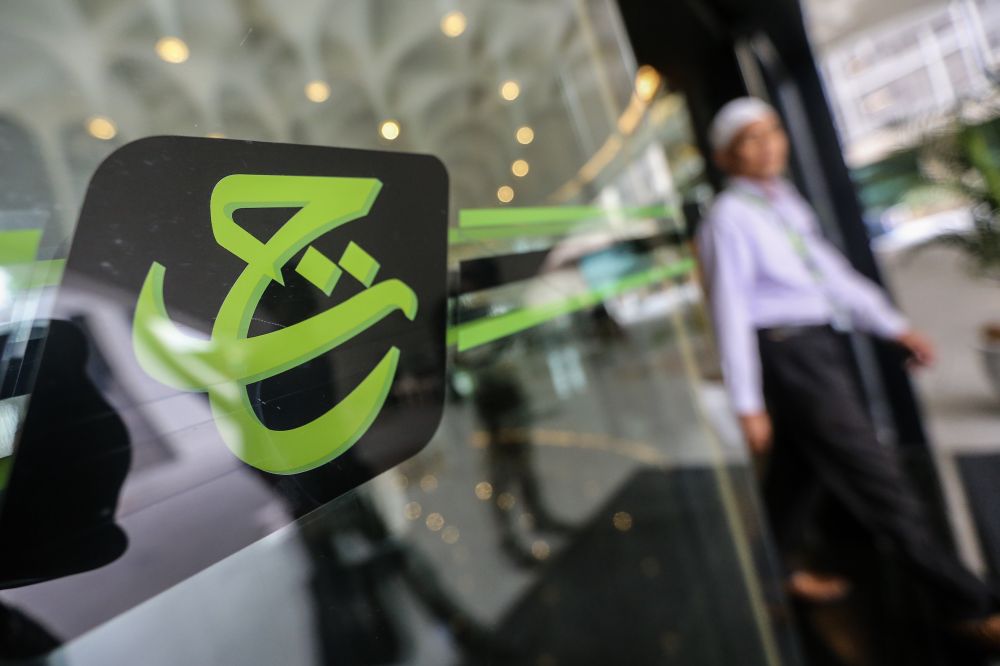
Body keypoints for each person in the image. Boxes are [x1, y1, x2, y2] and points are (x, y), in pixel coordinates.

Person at [697, 96, 1000, 647]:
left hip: (819, 342)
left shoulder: (783, 203)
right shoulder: (728, 219)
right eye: (750, 138)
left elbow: (829, 273)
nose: (768, 144)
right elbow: (730, 312)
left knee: (797, 473)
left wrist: (892, 325)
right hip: (789, 354)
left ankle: (773, 572)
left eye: (773, 131)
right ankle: (966, 603)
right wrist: (747, 402)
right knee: (874, 474)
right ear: (725, 156)